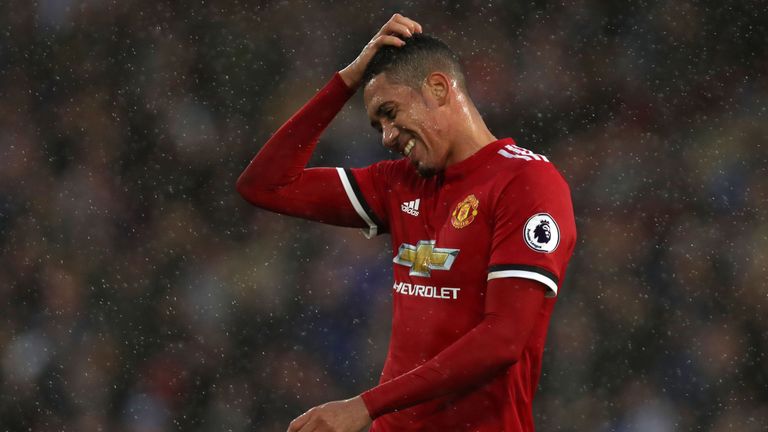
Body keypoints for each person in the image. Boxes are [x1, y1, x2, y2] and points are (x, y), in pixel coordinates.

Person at [237, 14, 576, 432]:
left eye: (391, 112)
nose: (387, 136)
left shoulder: (527, 182)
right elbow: (265, 186)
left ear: (438, 87)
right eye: (378, 124)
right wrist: (346, 80)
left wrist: (365, 405)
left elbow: (503, 339)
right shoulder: (398, 184)